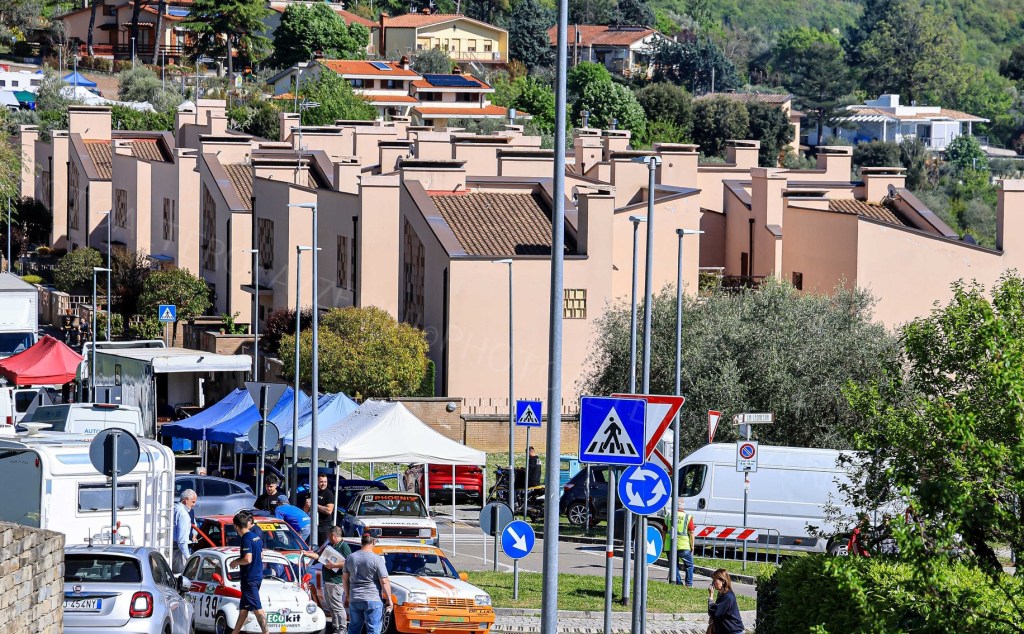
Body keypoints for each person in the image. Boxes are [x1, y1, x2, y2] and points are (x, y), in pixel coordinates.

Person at [343, 533, 392, 634]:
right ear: (373, 541)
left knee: (354, 628)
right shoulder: (377, 559)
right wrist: (389, 599)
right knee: (373, 629)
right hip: (372, 598)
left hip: (355, 598)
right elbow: (384, 581)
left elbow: (345, 578)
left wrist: (347, 595)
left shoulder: (350, 558)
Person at [228, 511, 268, 634]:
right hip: (257, 575)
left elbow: (247, 559)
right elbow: (261, 555)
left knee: (258, 609)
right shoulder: (256, 536)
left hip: (249, 579)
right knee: (243, 610)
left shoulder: (246, 538)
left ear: (235, 526)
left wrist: (235, 562)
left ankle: (266, 632)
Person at [312, 526, 352, 633]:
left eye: (329, 536)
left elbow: (348, 563)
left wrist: (334, 565)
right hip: (328, 581)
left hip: (336, 582)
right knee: (331, 606)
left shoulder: (344, 546)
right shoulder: (331, 545)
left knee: (337, 606)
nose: (328, 538)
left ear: (333, 535)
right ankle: (336, 626)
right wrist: (308, 554)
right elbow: (319, 556)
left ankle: (342, 627)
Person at [707, 569, 744, 634]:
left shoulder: (727, 596)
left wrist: (711, 597)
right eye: (713, 580)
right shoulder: (722, 594)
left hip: (733, 631)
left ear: (723, 581)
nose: (713, 583)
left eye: (715, 580)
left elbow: (714, 612)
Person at [304, 474, 336, 545]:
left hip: (324, 527)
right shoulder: (312, 493)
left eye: (325, 482)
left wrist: (315, 505)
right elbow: (305, 511)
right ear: (317, 482)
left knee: (323, 548)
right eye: (321, 482)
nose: (323, 484)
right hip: (312, 526)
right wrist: (307, 504)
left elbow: (329, 510)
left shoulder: (329, 494)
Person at [172, 489, 198, 573]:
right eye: (193, 502)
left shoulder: (174, 508)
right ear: (186, 500)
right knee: (180, 574)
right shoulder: (183, 514)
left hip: (173, 547)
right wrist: (188, 557)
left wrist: (194, 535)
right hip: (179, 550)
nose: (194, 504)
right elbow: (182, 540)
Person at [675, 501, 696, 586]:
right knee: (689, 565)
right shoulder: (687, 517)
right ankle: (689, 584)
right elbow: (691, 532)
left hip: (670, 545)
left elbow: (664, 530)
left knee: (674, 565)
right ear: (683, 507)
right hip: (683, 545)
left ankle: (677, 582)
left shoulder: (669, 515)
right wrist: (692, 545)